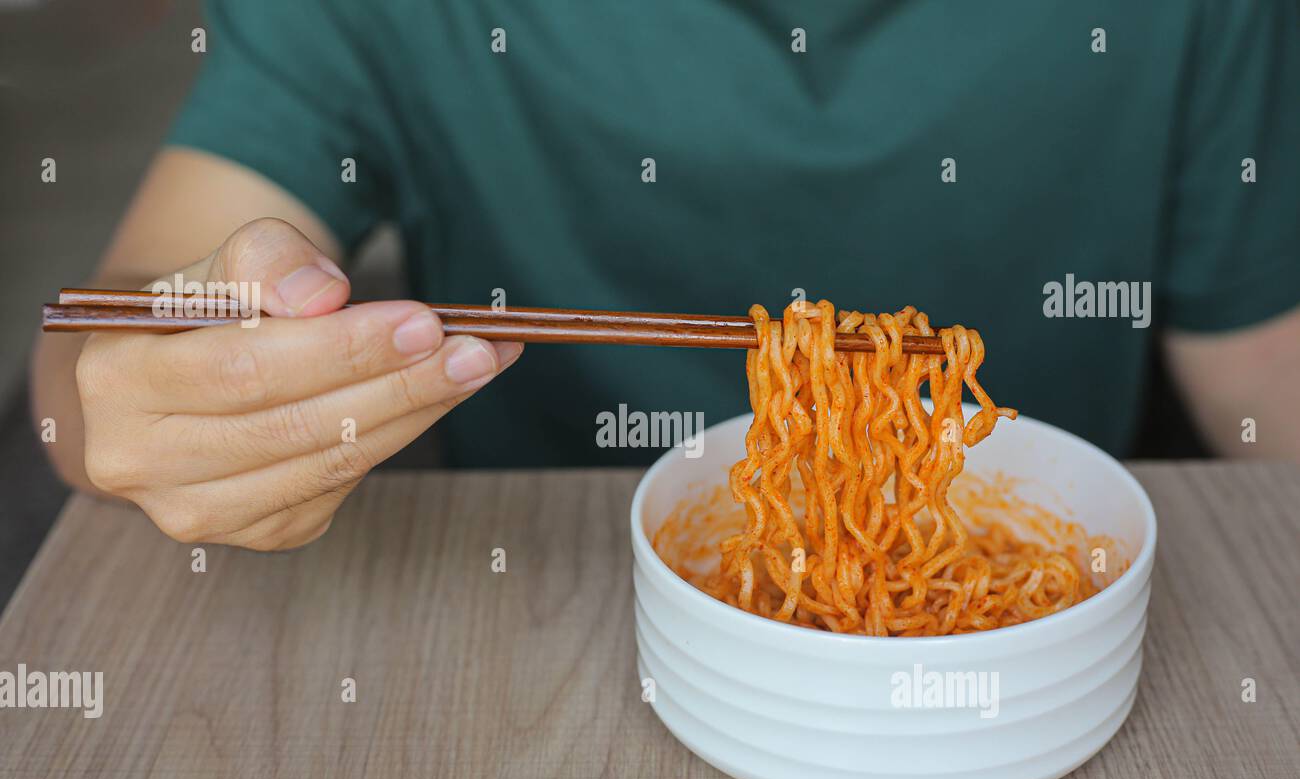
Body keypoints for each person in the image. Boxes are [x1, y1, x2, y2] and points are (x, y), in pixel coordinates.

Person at [31, 0, 1300, 551]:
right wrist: (169, 397)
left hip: (1045, 642)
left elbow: (1264, 378)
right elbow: (98, 347)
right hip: (550, 615)